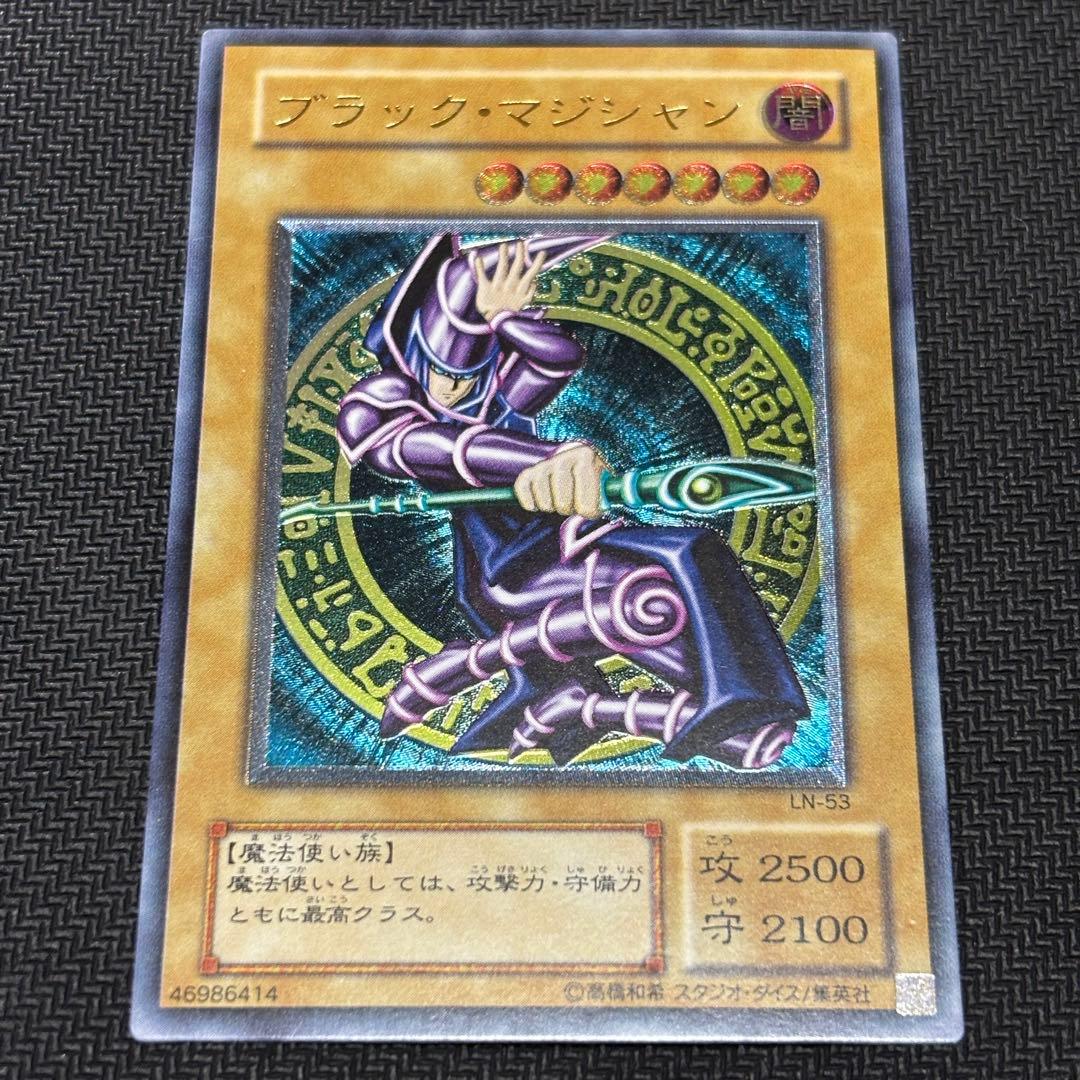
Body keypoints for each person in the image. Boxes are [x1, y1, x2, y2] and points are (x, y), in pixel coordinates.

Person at [337, 233, 807, 768]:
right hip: (510, 568)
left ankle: (582, 705)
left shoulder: (493, 397)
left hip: (562, 545)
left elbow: (559, 358)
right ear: (412, 355)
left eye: (470, 375)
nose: (454, 391)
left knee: (758, 735)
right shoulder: (383, 407)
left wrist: (506, 320)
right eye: (442, 374)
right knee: (653, 594)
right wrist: (540, 459)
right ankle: (490, 664)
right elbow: (429, 449)